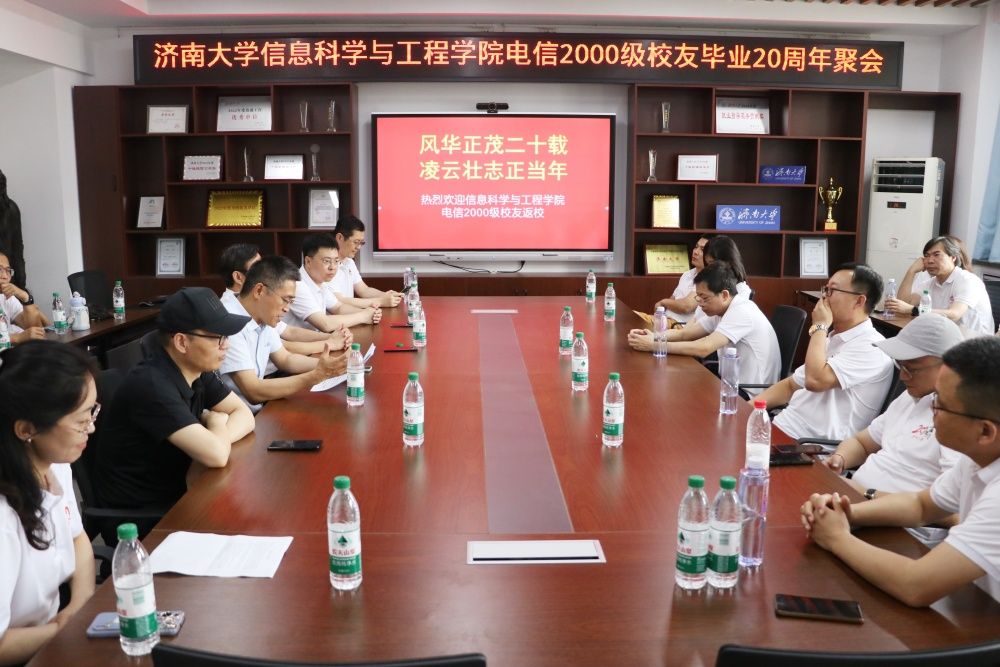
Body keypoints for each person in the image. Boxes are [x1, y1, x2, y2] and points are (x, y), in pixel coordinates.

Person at [801, 336, 1000, 606]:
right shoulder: (976, 459)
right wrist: (844, 512)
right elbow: (921, 505)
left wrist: (837, 538)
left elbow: (916, 585)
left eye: (940, 405)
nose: (931, 411)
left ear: (985, 431)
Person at [95, 288, 255, 519]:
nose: (226, 345)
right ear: (181, 342)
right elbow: (217, 455)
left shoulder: (197, 369)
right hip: (145, 516)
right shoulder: (151, 385)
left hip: (183, 490)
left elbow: (244, 414)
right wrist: (216, 424)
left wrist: (216, 439)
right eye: (218, 338)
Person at [0, 341, 97, 665]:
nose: (91, 427)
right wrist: (63, 629)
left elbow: (78, 538)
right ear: (26, 429)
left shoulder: (54, 465)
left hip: (54, 637)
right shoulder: (3, 518)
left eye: (92, 412)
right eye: (81, 420)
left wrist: (80, 605)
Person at [824, 314, 964, 501]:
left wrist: (866, 493)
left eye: (912, 369)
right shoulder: (910, 397)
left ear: (947, 366)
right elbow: (862, 443)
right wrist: (840, 458)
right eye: (900, 365)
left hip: (892, 517)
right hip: (856, 498)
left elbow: (948, 505)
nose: (903, 377)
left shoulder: (960, 420)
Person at [757, 263, 893, 441]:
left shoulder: (872, 347)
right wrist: (749, 410)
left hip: (811, 446)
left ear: (859, 301)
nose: (824, 297)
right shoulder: (833, 337)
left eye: (831, 291)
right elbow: (790, 385)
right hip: (783, 427)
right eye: (825, 289)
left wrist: (820, 326)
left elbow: (815, 380)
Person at [219, 255, 348, 413]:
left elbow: (286, 359)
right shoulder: (230, 321)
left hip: (257, 410)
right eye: (285, 300)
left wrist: (335, 365)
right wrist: (316, 376)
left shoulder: (262, 314)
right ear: (259, 291)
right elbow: (253, 391)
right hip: (236, 416)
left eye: (290, 302)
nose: (287, 309)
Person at [627, 262, 780, 391]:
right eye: (698, 297)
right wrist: (653, 336)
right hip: (730, 384)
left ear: (724, 295)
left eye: (704, 297)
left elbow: (703, 348)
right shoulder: (721, 309)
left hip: (749, 393)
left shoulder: (742, 311)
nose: (700, 303)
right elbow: (685, 334)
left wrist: (654, 345)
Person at [219, 243, 352, 357]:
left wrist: (332, 337)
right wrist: (331, 343)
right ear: (238, 277)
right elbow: (286, 348)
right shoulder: (231, 312)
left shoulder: (258, 300)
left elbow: (289, 331)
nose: (264, 270)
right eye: (256, 267)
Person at [885, 235, 994, 336]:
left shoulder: (968, 280)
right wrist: (911, 271)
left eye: (936, 255)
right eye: (927, 256)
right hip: (944, 336)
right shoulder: (931, 282)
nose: (930, 260)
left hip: (975, 342)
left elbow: (954, 314)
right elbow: (903, 305)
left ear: (953, 257)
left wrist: (913, 310)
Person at [284, 233, 382, 332]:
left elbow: (338, 308)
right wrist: (363, 316)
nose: (333, 267)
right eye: (326, 261)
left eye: (336, 261)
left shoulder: (320, 281)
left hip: (319, 338)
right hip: (300, 342)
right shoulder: (297, 285)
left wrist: (369, 312)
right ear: (308, 261)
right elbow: (325, 324)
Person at [329, 215, 403, 308]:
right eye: (356, 242)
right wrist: (380, 301)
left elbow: (364, 290)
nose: (359, 247)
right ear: (340, 238)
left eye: (361, 243)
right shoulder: (328, 265)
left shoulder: (349, 262)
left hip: (350, 314)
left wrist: (385, 295)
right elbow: (339, 301)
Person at [653, 234, 710, 328]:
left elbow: (686, 306)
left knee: (633, 322)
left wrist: (663, 302)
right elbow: (672, 300)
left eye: (702, 250)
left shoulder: (709, 278)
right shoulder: (686, 274)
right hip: (665, 319)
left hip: (678, 325)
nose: (695, 252)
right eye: (696, 247)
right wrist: (661, 311)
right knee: (632, 317)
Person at [0, 249, 50, 343]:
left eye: (8, 271)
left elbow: (35, 331)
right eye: (0, 270)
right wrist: (17, 338)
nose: (5, 276)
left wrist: (25, 297)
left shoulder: (6, 297)